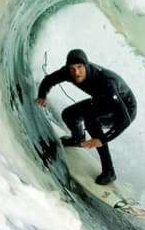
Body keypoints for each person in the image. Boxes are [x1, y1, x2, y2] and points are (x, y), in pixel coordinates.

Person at [36, 49, 137, 185]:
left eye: (80, 67)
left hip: (124, 109)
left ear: (86, 66)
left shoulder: (106, 82)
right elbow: (49, 80)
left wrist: (102, 139)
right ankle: (78, 138)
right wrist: (42, 95)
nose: (76, 73)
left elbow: (125, 120)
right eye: (72, 68)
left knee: (90, 121)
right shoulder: (68, 72)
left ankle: (109, 171)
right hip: (103, 100)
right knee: (69, 114)